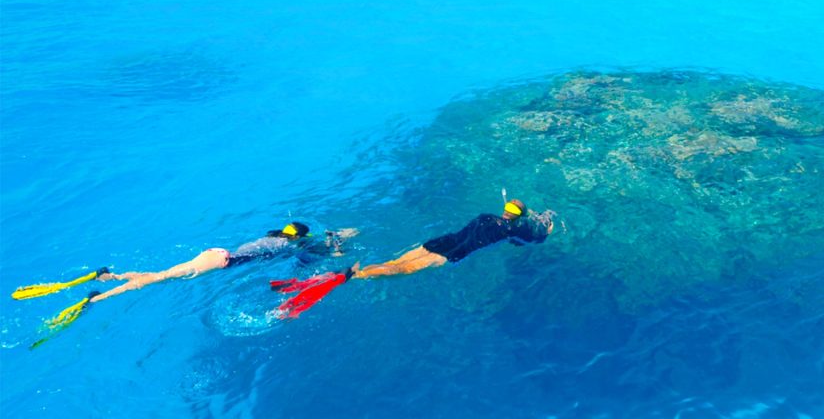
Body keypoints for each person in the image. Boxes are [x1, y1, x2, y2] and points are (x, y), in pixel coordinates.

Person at [89, 222, 358, 303]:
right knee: (158, 278)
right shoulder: (284, 245)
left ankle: (110, 277)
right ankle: (98, 298)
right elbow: (303, 255)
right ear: (298, 237)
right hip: (219, 261)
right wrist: (334, 248)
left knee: (162, 273)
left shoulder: (274, 236)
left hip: (217, 254)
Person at [352, 199, 554, 279]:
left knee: (395, 263)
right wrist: (546, 230)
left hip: (441, 241)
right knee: (401, 270)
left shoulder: (486, 216)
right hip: (452, 253)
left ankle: (359, 270)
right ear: (518, 217)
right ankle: (356, 276)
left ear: (505, 209)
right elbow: (530, 240)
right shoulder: (510, 231)